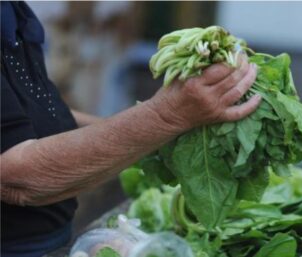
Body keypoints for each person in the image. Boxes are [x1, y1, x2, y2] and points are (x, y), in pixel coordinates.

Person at [0, 2, 260, 256]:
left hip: (54, 236)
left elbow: (38, 116)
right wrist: (166, 116)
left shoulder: (13, 10)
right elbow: (16, 177)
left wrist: (165, 137)